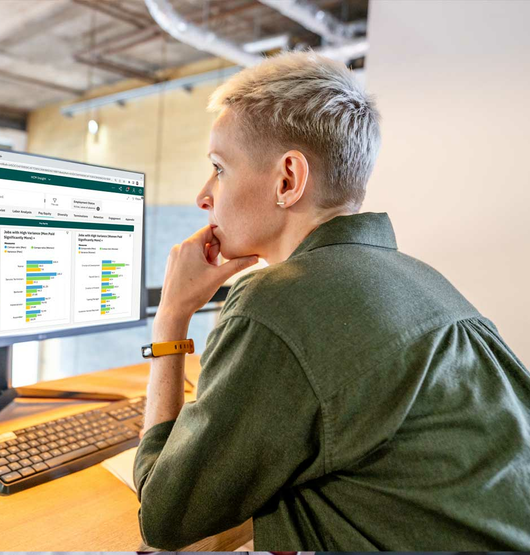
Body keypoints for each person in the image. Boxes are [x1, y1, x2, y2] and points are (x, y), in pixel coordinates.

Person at [133, 51, 530, 551]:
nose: (203, 196)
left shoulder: (278, 302)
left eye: (218, 168)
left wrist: (171, 318)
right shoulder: (424, 280)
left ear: (287, 180)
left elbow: (165, 518)